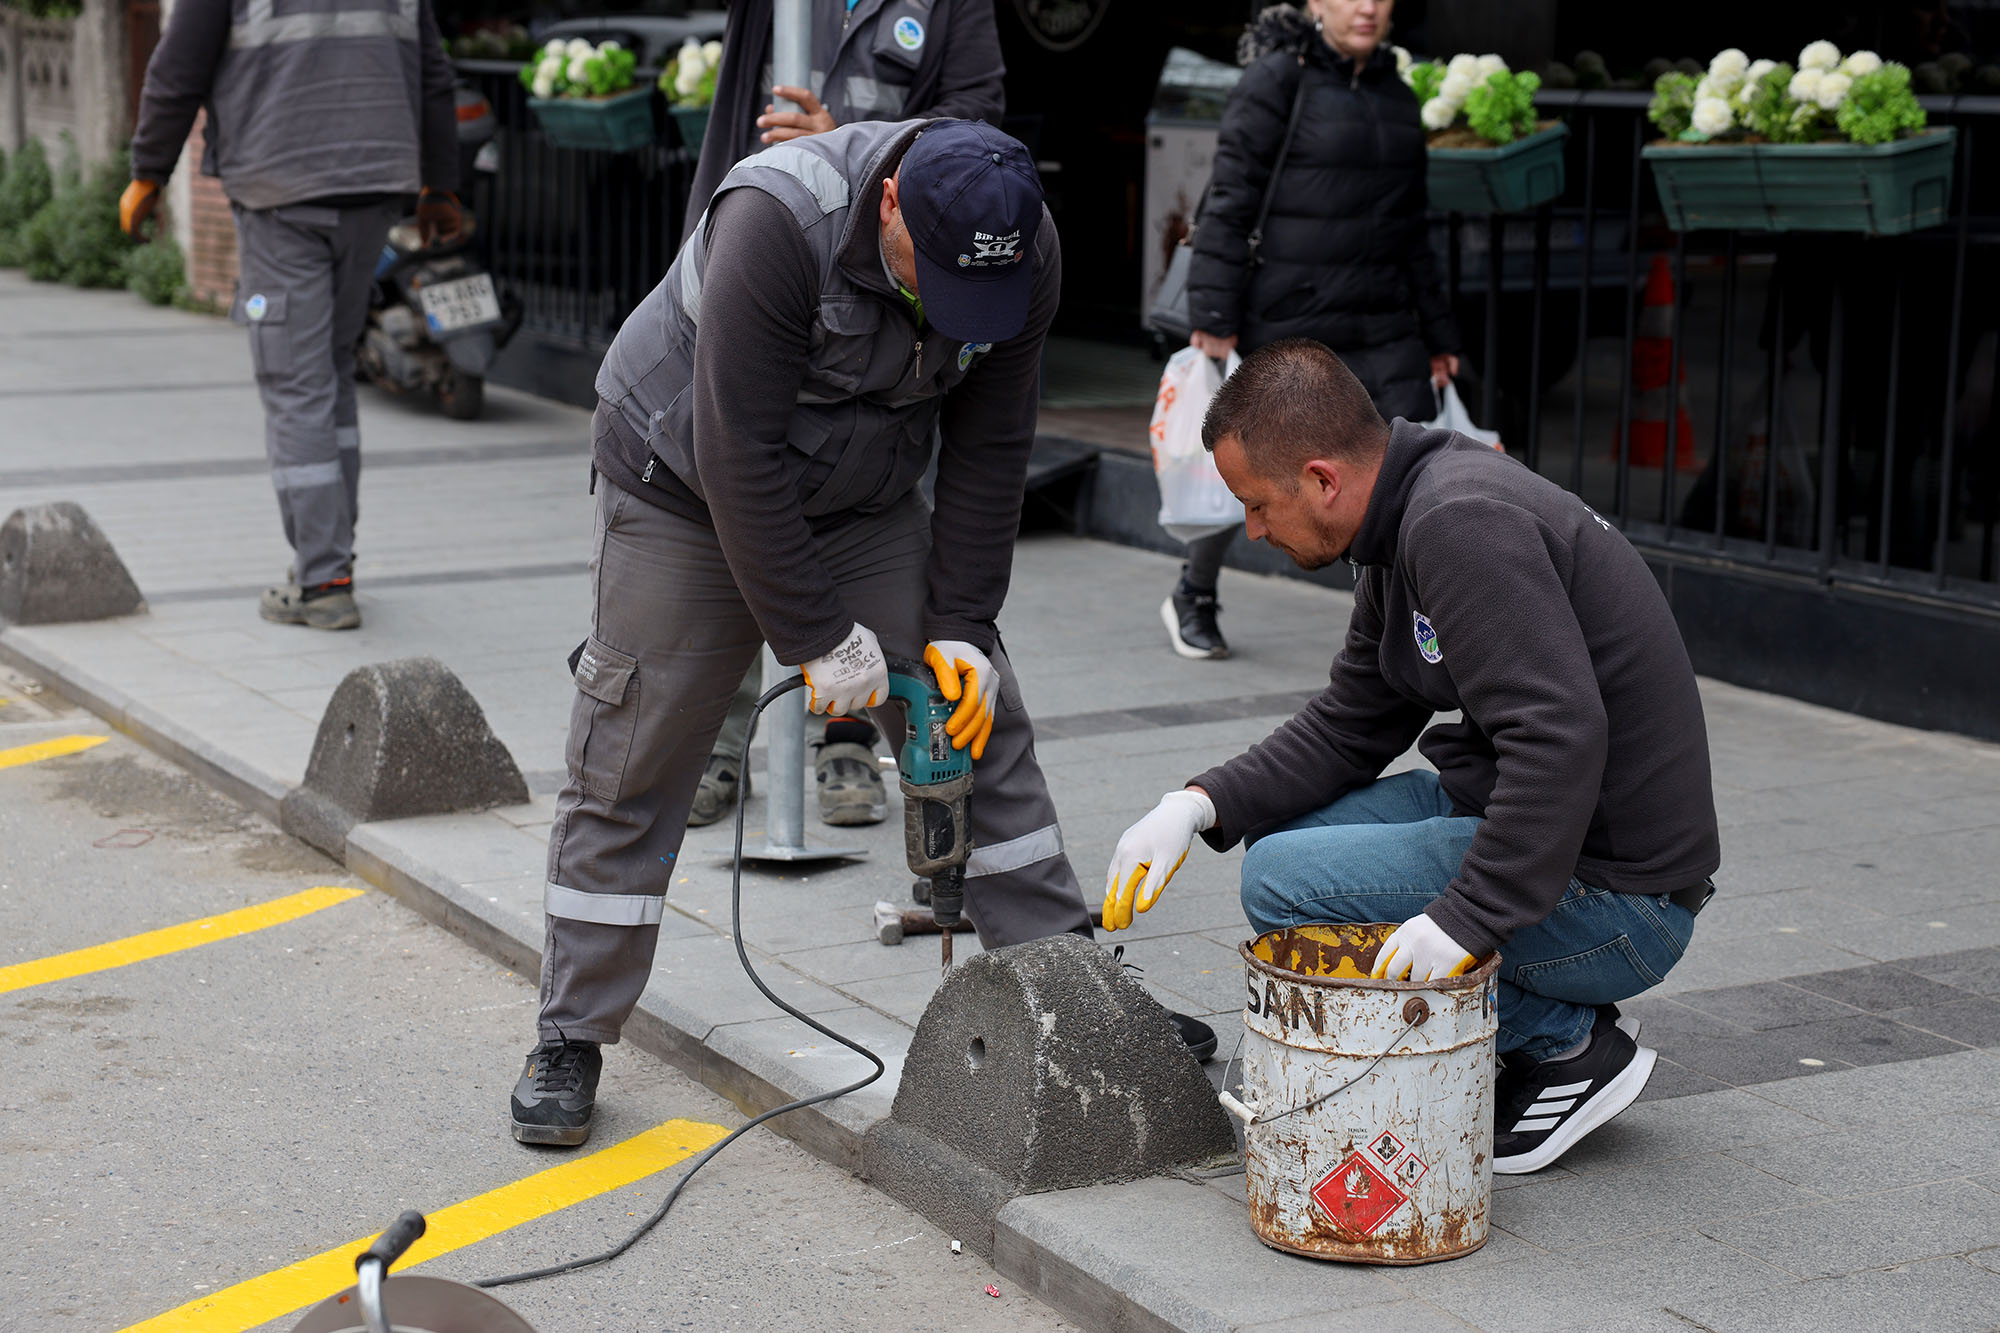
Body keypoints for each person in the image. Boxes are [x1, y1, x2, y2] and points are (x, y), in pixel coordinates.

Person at [513, 117, 1215, 1147]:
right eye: (925, 276)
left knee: (975, 715)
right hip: (685, 486)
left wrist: (965, 626)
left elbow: (990, 441)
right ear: (890, 203)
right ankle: (570, 1031)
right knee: (635, 750)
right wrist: (813, 636)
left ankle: (1070, 994)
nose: (941, 307)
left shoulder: (1020, 245)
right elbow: (737, 451)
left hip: (861, 494)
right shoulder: (774, 220)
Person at [1103, 340, 1720, 1174]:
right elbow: (1350, 722)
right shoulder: (1405, 521)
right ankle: (1515, 1027)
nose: (1251, 529)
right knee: (1285, 846)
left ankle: (1569, 1046)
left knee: (1281, 884)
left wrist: (1465, 919)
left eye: (1256, 505)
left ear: (1322, 480)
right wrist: (1197, 804)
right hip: (1540, 825)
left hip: (1622, 895)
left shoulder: (1458, 522)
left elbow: (1560, 737)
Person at [683, 0, 1008, 830]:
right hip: (771, 251)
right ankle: (719, 740)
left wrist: (851, 143)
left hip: (889, 277)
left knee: (863, 526)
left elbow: (978, 132)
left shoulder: (951, 6)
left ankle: (848, 742)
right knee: (733, 497)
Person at [121, 0, 463, 631]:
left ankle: (323, 578)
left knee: (295, 384)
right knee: (330, 373)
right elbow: (433, 78)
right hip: (372, 195)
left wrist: (148, 171)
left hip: (282, 197)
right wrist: (440, 187)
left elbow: (177, 69)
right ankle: (329, 557)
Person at [1170, 0, 1459, 660]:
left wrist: (1441, 335)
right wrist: (1212, 317)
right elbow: (1230, 196)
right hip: (1294, 314)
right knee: (1262, 468)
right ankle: (1195, 587)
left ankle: (1397, 632)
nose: (1367, 7)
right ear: (1314, 4)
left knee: (1405, 475)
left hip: (1383, 319)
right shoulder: (1276, 80)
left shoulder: (1397, 95)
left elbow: (1415, 231)